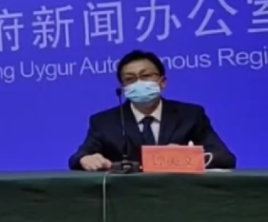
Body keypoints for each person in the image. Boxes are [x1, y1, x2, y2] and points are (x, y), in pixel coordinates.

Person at [69, 49, 236, 171]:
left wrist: (186, 157)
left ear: (162, 82)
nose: (139, 83)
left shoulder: (191, 115)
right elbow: (78, 157)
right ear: (123, 87)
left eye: (146, 76)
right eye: (130, 79)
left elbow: (224, 157)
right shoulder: (104, 121)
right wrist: (86, 159)